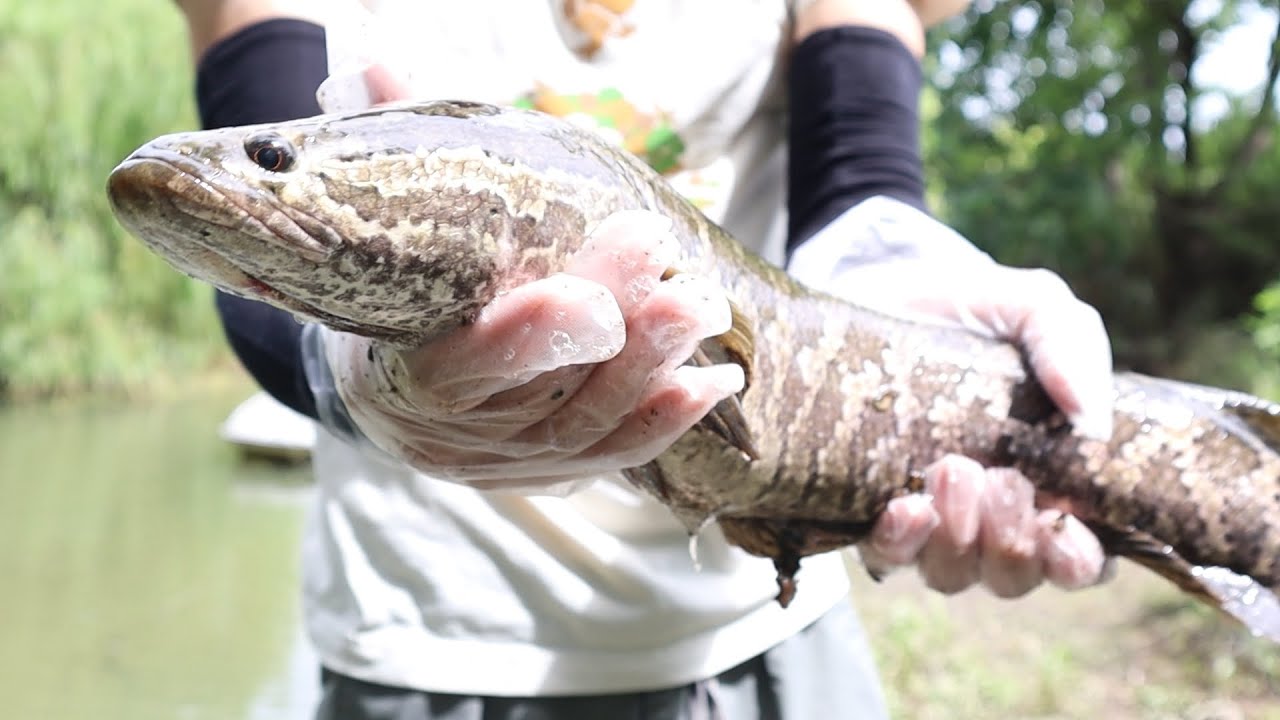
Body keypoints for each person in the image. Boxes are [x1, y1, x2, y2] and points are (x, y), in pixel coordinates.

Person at [173, 1, 1114, 717]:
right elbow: (244, 230)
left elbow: (856, 163)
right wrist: (344, 377)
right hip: (429, 640)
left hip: (765, 627)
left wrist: (882, 256)